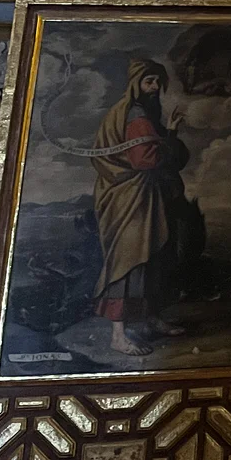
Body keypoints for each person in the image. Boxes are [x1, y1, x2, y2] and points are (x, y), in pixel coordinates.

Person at [90, 59, 195, 357]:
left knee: (153, 257)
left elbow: (151, 148)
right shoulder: (135, 115)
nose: (155, 88)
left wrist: (169, 134)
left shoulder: (141, 116)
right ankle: (118, 335)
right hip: (129, 199)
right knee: (130, 260)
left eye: (158, 83)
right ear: (137, 84)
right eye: (149, 82)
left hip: (145, 197)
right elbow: (144, 159)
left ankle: (151, 318)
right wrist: (170, 143)